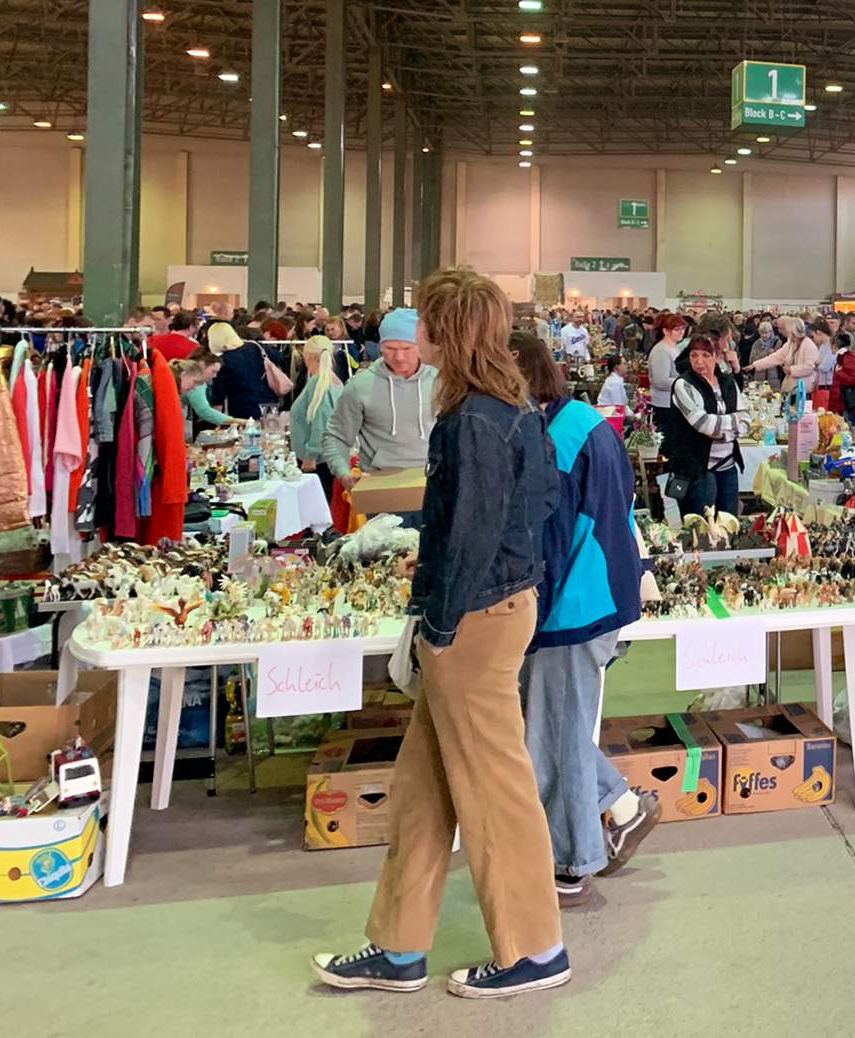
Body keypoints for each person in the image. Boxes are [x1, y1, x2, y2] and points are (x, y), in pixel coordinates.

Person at [311, 267, 567, 999]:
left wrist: (442, 621)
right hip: (491, 608)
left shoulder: (474, 417)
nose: (413, 334)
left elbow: (473, 534)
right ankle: (396, 948)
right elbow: (538, 502)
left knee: (494, 787)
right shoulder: (508, 407)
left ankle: (534, 948)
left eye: (424, 321)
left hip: (476, 619)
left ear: (446, 331)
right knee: (424, 788)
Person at [511, 342, 661, 910]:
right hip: (600, 594)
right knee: (555, 727)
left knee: (555, 734)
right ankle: (622, 806)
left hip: (572, 605)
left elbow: (548, 542)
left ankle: (574, 863)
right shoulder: (582, 420)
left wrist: (528, 619)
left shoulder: (557, 439)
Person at [325, 308, 437, 493]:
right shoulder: (360, 386)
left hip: (433, 485)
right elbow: (336, 436)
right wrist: (343, 473)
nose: (399, 357)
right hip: (380, 485)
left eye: (407, 348)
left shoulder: (442, 382)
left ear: (420, 346)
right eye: (390, 349)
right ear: (380, 347)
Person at [660, 336, 748, 517]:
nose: (699, 362)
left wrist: (724, 434)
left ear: (717, 356)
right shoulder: (684, 384)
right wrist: (734, 419)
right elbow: (703, 424)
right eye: (694, 356)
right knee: (702, 527)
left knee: (729, 523)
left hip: (727, 465)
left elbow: (746, 420)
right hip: (697, 468)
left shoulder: (728, 382)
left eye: (706, 355)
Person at [292, 337, 345, 504]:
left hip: (316, 461)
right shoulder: (335, 382)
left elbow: (321, 422)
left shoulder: (319, 383)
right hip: (327, 456)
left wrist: (310, 455)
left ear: (306, 356)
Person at [209, 315, 294, 420]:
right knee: (271, 431)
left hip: (241, 407)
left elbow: (219, 394)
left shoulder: (223, 360)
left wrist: (217, 420)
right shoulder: (255, 347)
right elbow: (278, 357)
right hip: (269, 401)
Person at [749, 316, 819, 395]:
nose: (784, 333)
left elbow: (810, 367)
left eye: (787, 331)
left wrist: (791, 370)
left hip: (804, 388)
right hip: (791, 387)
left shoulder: (809, 345)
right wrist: (756, 365)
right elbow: (776, 357)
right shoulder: (790, 344)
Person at [830, 330, 855, 422]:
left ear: (834, 346)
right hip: (844, 403)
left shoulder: (847, 358)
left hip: (846, 404)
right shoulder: (845, 358)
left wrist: (838, 373)